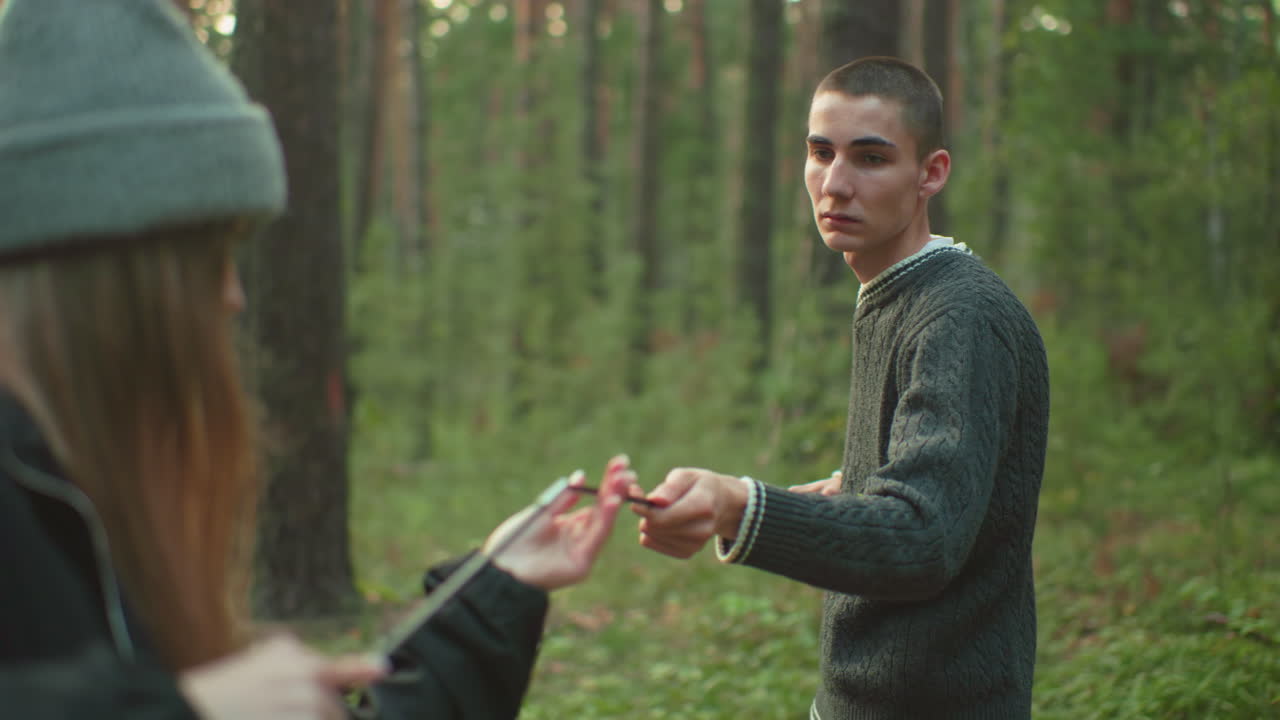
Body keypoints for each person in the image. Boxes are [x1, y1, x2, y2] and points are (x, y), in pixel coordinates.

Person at [0, 0, 633, 718]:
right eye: (210, 260)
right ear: (109, 276)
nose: (235, 297)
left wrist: (496, 590)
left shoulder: (87, 487)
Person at [631, 56, 1050, 720]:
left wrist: (741, 506)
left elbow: (923, 537)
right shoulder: (898, 296)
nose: (834, 183)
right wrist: (855, 486)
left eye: (871, 158)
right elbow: (943, 489)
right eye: (820, 152)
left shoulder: (958, 317)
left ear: (930, 173)